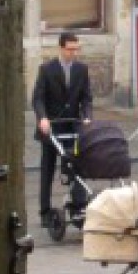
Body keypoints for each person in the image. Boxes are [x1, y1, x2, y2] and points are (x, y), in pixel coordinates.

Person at [31, 31, 93, 227]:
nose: (73, 53)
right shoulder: (47, 69)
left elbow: (86, 97)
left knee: (76, 165)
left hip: (73, 126)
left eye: (76, 49)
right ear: (60, 48)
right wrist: (42, 118)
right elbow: (38, 98)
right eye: (69, 49)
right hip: (51, 127)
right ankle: (44, 211)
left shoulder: (82, 70)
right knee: (47, 169)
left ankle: (79, 205)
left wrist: (87, 117)